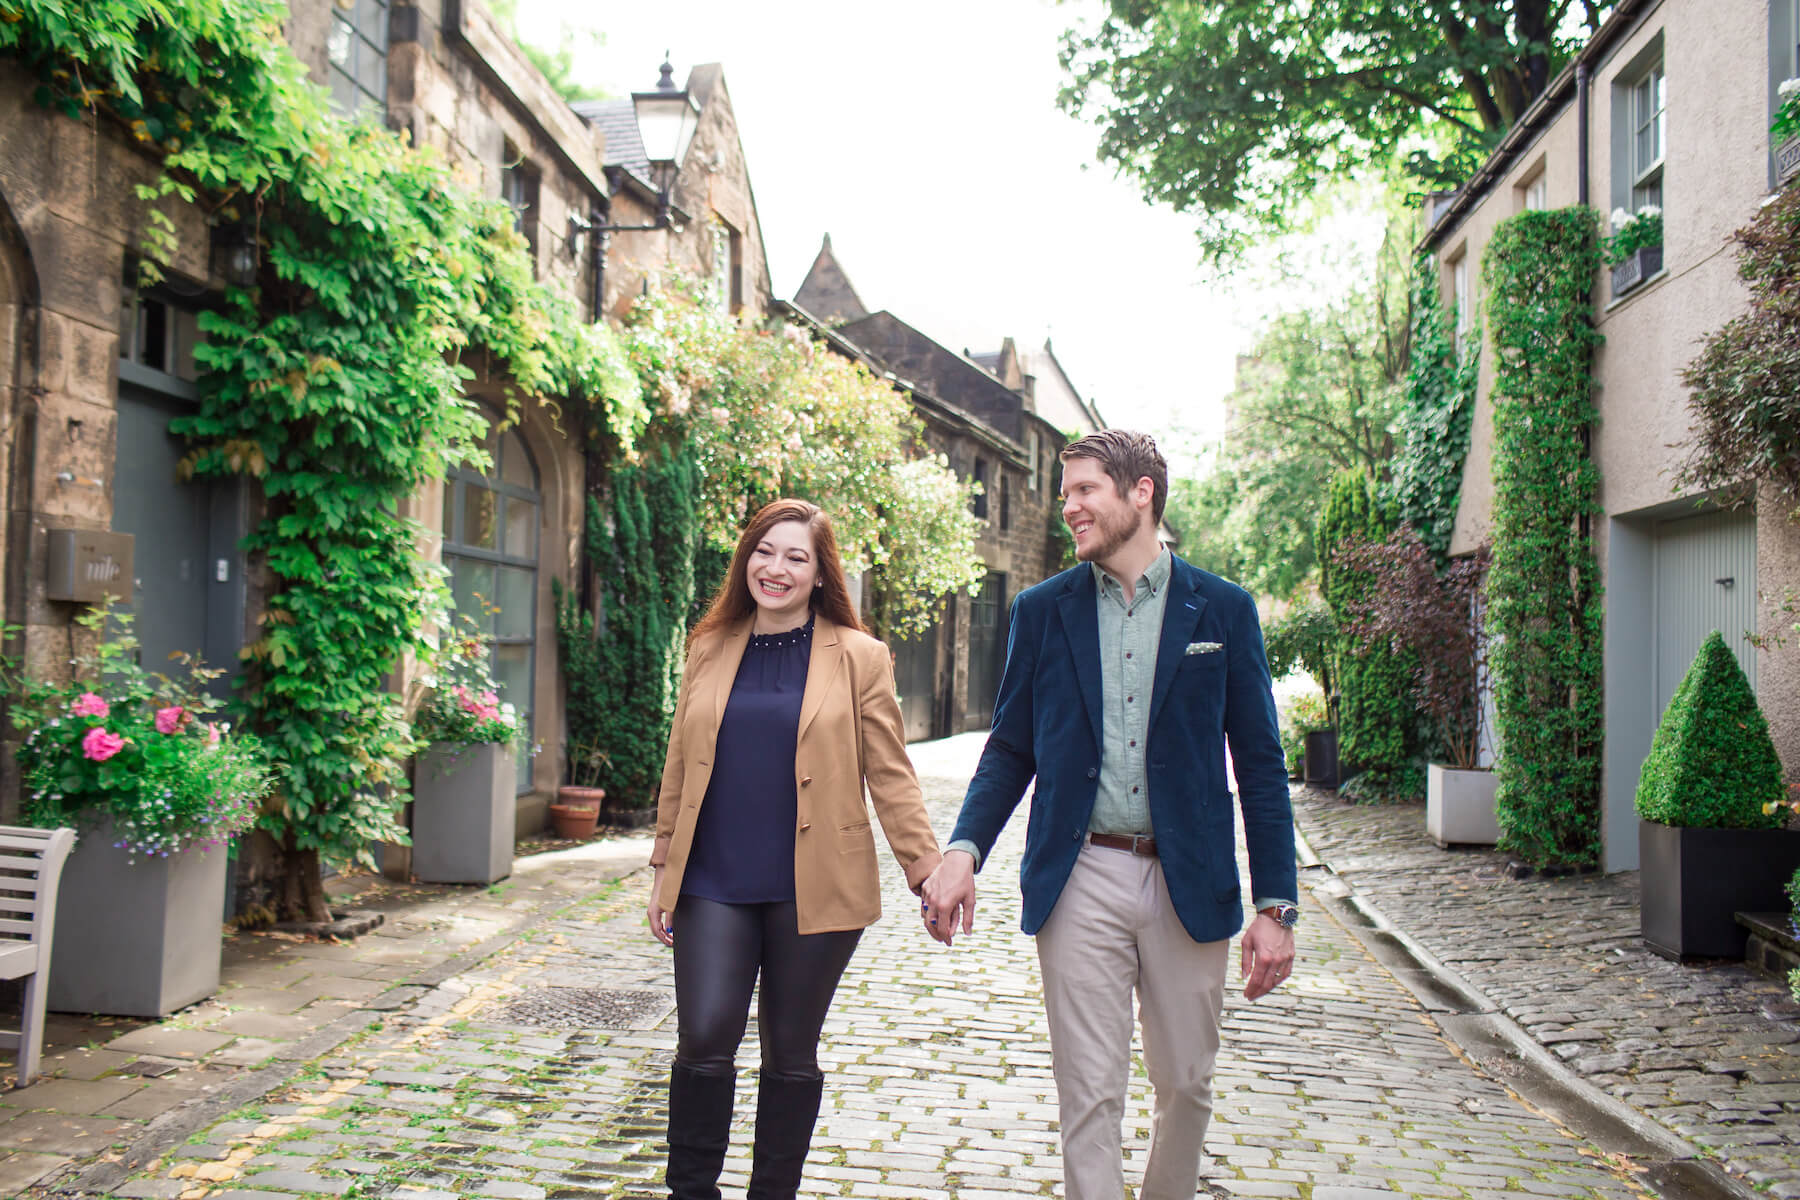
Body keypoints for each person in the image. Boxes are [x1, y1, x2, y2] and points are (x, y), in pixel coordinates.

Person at [921, 430, 1299, 1200]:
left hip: (1187, 880)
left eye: (1085, 490)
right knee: (1088, 1094)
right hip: (1080, 872)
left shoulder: (1222, 611)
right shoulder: (1042, 610)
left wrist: (1275, 904)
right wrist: (963, 849)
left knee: (1187, 1084)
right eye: (1067, 495)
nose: (1071, 509)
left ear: (1141, 494)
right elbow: (1009, 749)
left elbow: (1260, 765)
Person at [647, 497, 942, 1200]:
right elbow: (680, 761)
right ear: (746, 558)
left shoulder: (859, 657)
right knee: (705, 1041)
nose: (775, 568)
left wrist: (926, 869)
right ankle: (691, 1192)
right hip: (713, 878)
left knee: (790, 1051)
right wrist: (663, 865)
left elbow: (890, 773)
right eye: (764, 551)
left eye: (795, 557)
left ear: (818, 574)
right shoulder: (709, 647)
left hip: (817, 885)